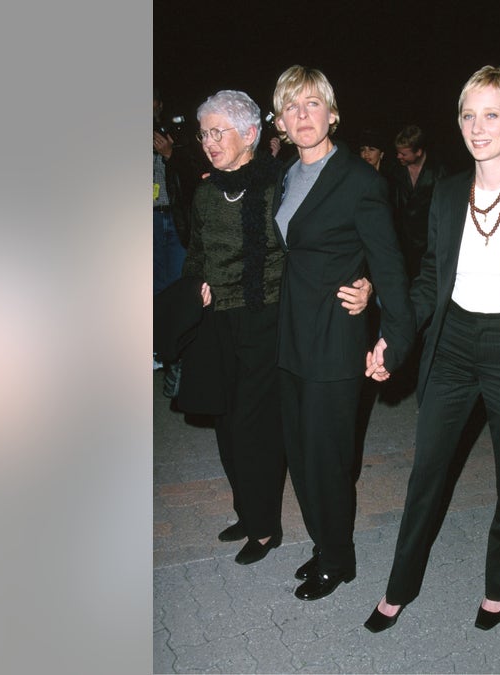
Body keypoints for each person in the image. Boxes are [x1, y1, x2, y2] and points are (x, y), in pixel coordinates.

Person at [363, 65, 500, 632]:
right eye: (468, 114)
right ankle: (399, 586)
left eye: (491, 114)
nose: (477, 126)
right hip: (455, 343)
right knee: (426, 474)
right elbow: (429, 279)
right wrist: (395, 335)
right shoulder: (443, 193)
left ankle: (499, 584)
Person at [178, 89, 373, 565]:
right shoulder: (203, 191)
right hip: (216, 321)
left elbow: (324, 238)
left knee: (253, 429)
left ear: (249, 134)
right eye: (203, 133)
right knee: (225, 424)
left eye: (217, 131)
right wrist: (192, 289)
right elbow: (197, 254)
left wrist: (364, 281)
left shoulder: (277, 184)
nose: (208, 141)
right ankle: (248, 511)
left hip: (267, 318)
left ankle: (265, 528)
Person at [271, 65, 417, 601]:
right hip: (289, 337)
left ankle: (340, 559)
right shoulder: (286, 173)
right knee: (301, 453)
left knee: (327, 458)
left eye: (312, 104)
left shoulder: (360, 179)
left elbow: (391, 261)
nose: (302, 115)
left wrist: (388, 326)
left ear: (332, 113)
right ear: (282, 121)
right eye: (292, 107)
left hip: (334, 337)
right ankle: (323, 541)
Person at [153, 87, 190, 372]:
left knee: (177, 284)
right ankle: (156, 347)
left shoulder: (173, 134)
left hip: (175, 217)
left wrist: (169, 155)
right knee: (152, 284)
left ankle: (176, 350)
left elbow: (190, 175)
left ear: (159, 103)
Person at [391, 124, 448, 281]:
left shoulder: (439, 172)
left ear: (419, 152)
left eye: (403, 154)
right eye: (398, 152)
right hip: (402, 245)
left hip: (428, 245)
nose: (398, 157)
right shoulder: (395, 170)